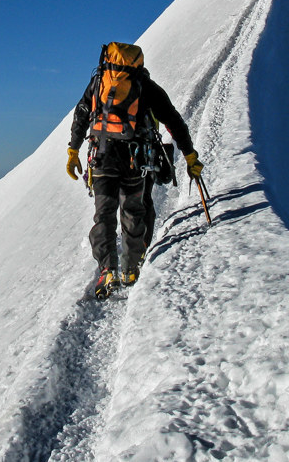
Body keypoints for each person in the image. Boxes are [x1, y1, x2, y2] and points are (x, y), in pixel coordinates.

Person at [66, 42, 203, 299]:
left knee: (104, 214)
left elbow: (82, 113)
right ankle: (131, 268)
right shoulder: (144, 85)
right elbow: (173, 120)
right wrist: (189, 154)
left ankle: (107, 268)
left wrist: (73, 150)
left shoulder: (99, 82)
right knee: (132, 210)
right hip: (134, 161)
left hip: (101, 157)